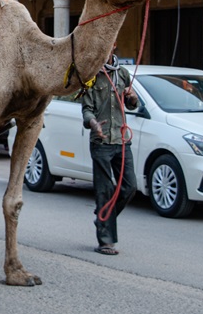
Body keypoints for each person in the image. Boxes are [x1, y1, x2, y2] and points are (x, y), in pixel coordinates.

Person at [81, 46, 139, 256]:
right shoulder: (91, 76)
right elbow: (86, 109)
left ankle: (104, 216)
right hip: (101, 141)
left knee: (130, 186)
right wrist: (93, 124)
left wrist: (131, 98)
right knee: (104, 191)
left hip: (121, 139)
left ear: (114, 46)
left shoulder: (122, 73)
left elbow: (133, 104)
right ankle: (106, 241)